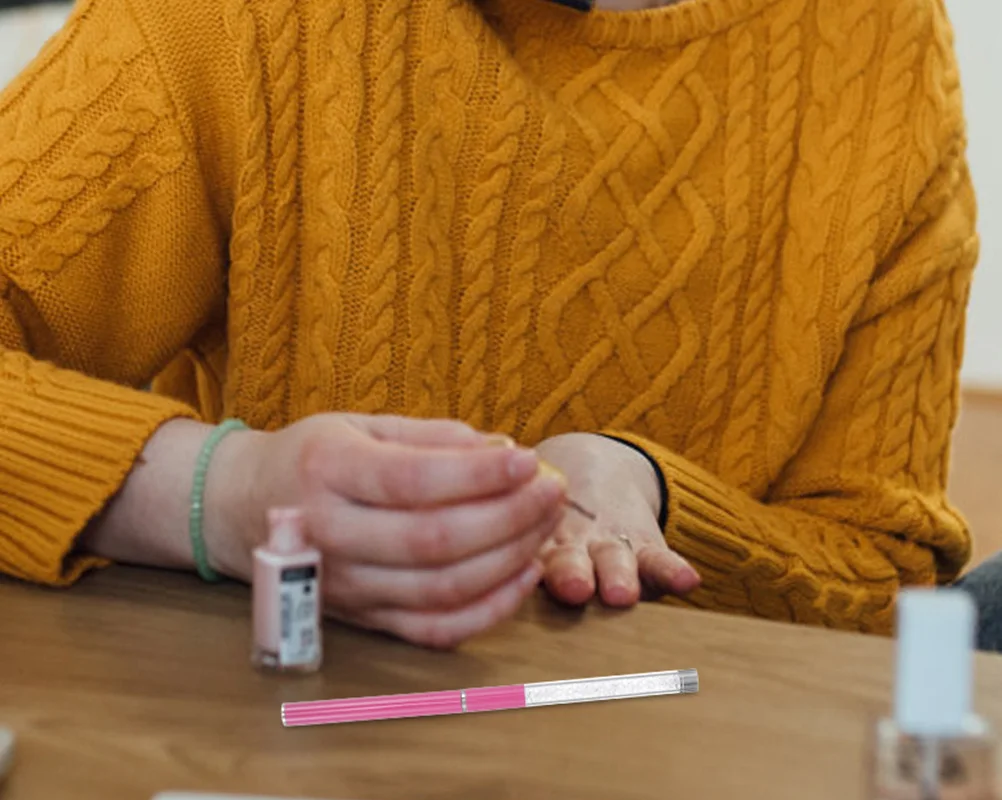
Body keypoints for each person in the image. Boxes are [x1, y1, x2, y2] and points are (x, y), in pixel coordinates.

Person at [0, 0, 979, 649]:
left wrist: (650, 497)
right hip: (262, 761)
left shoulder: (881, 40)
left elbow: (885, 581)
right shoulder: (234, 22)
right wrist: (227, 493)